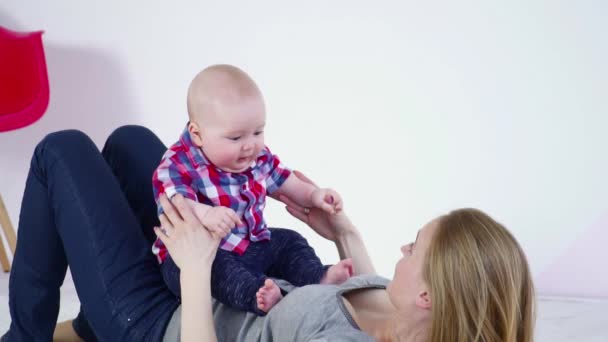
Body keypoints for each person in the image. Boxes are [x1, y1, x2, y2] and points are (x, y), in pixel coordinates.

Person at [2, 126, 536, 342]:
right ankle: (92, 329)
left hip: (164, 319)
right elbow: (362, 287)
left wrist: (192, 271)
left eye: (415, 248)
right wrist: (341, 231)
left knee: (62, 150)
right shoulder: (405, 315)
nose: (404, 248)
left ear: (428, 295)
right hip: (215, 277)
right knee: (130, 144)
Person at [152, 64, 352, 315]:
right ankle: (257, 295)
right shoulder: (178, 165)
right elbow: (175, 204)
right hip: (197, 259)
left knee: (289, 241)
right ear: (197, 134)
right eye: (235, 138)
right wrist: (206, 214)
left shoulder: (255, 158)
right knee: (220, 269)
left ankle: (317, 277)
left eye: (258, 132)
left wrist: (314, 195)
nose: (249, 146)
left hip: (250, 244)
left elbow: (285, 181)